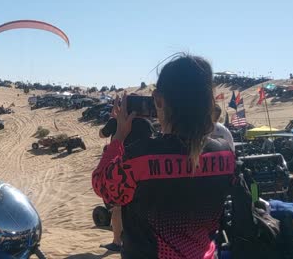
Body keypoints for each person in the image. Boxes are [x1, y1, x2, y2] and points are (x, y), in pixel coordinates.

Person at [92, 54, 235, 259]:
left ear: (158, 100)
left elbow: (103, 186)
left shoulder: (140, 157)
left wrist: (118, 138)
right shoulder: (225, 154)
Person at [97, 109, 154, 253]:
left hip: (121, 165)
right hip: (143, 167)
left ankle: (117, 242)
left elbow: (101, 134)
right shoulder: (146, 122)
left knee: (117, 206)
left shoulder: (116, 121)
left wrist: (113, 121)